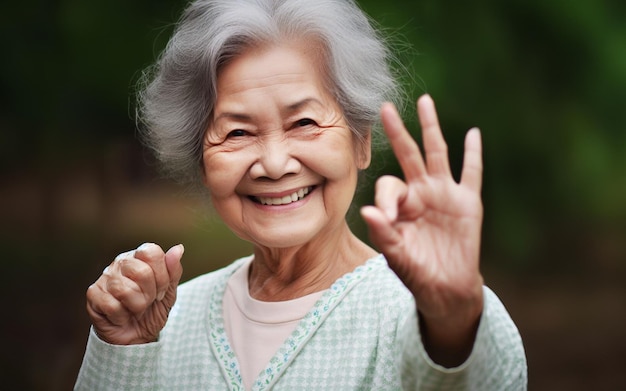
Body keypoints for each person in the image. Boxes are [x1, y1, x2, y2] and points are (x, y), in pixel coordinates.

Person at [75, 0, 527, 389]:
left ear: (361, 141)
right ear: (201, 161)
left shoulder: (420, 310)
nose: (273, 164)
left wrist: (452, 321)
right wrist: (125, 349)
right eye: (237, 131)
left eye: (304, 123)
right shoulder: (163, 320)